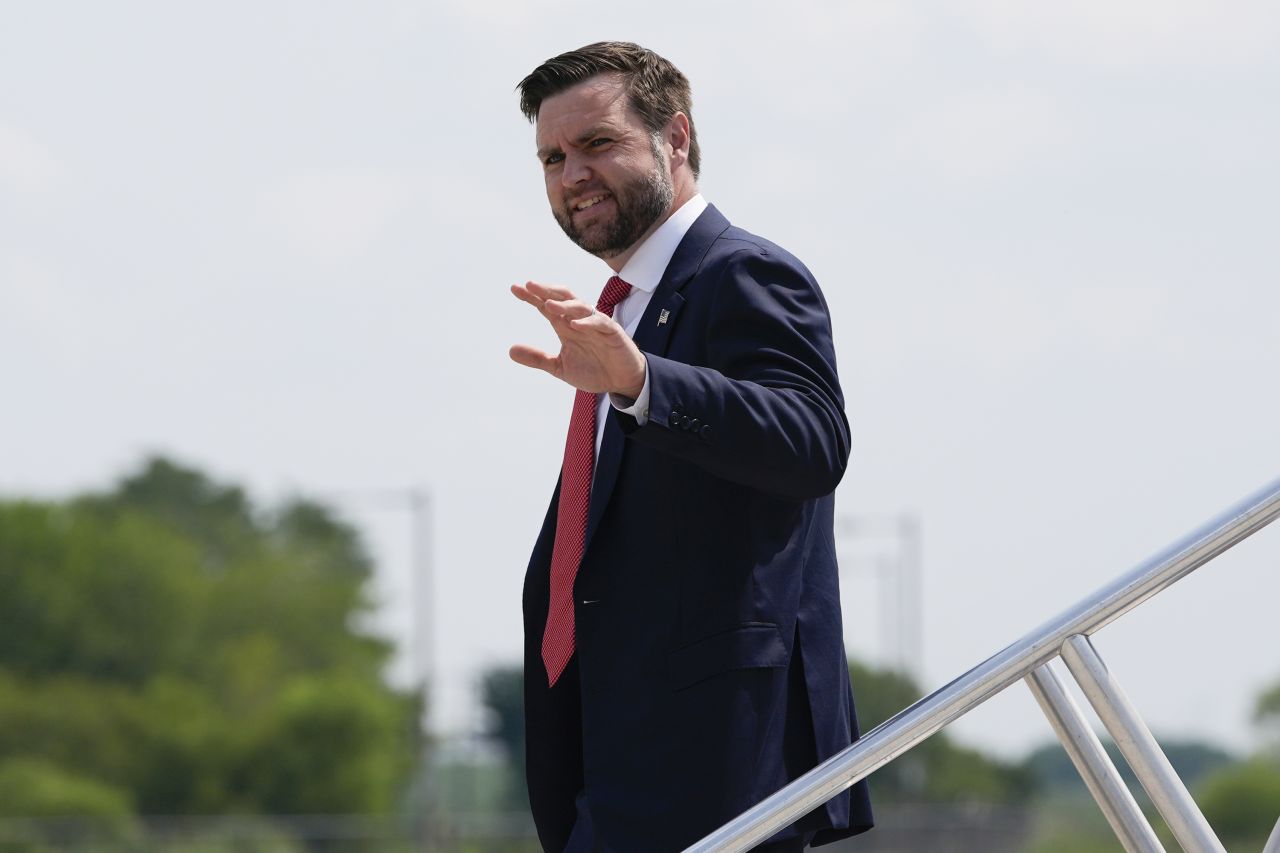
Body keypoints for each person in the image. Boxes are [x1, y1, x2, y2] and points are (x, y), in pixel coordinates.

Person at [509, 41, 874, 852]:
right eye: (552, 156)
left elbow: (812, 443)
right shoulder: (624, 310)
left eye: (597, 143)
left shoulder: (742, 273)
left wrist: (646, 383)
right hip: (615, 771)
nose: (572, 174)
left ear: (675, 139)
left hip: (721, 770)